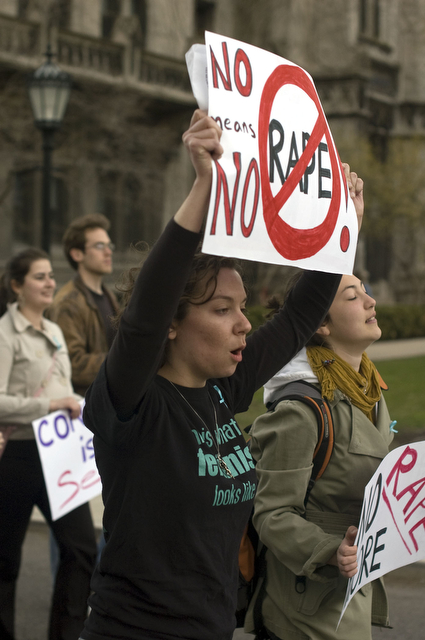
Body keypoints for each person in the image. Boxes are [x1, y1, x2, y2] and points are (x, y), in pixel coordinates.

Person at [78, 110, 364, 640]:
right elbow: (143, 315)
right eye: (221, 310)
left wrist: (339, 229)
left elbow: (299, 316)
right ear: (171, 325)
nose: (244, 324)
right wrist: (205, 188)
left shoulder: (222, 388)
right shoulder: (132, 402)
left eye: (243, 306)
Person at [244, 274, 393, 640]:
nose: (370, 302)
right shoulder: (302, 410)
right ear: (322, 324)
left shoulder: (368, 390)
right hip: (303, 612)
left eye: (366, 293)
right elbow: (272, 514)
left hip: (348, 593)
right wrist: (329, 551)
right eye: (352, 297)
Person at [0, 248, 98, 640]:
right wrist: (51, 403)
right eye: (39, 276)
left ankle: (65, 634)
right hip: (18, 456)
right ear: (16, 286)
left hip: (59, 456)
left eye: (49, 276)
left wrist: (72, 406)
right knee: (5, 561)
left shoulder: (55, 331)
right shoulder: (6, 335)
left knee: (81, 551)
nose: (49, 282)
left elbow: (64, 387)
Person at [48, 213, 119, 397]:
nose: (108, 251)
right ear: (77, 254)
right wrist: (123, 360)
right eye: (99, 246)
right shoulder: (68, 303)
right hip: (84, 408)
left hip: (108, 400)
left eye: (109, 245)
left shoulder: (107, 295)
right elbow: (72, 364)